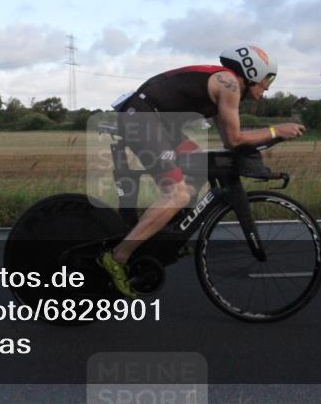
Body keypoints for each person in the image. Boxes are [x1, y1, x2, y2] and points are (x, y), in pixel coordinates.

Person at [98, 45, 306, 298]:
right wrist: (276, 130)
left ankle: (168, 236)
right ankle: (117, 257)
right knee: (178, 194)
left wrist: (272, 138)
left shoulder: (226, 85)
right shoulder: (229, 84)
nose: (267, 88)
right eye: (267, 81)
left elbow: (229, 141)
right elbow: (236, 139)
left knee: (198, 163)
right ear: (253, 72)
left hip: (159, 121)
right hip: (144, 119)